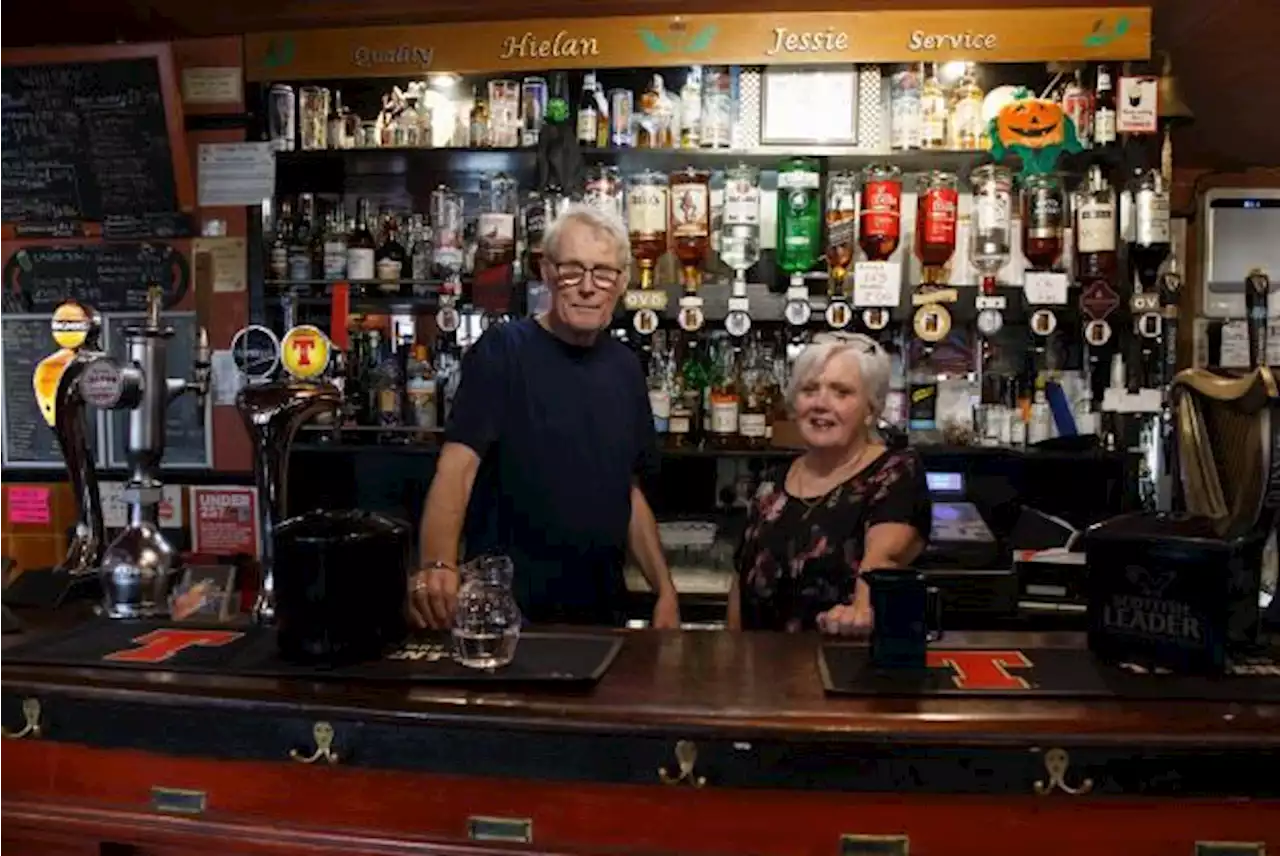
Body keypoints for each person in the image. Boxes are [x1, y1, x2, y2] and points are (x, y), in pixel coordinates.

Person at [408, 204, 680, 630]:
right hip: (510, 618)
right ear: (548, 273)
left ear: (623, 282)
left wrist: (664, 590)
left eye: (604, 272)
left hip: (602, 617)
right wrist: (437, 563)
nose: (588, 287)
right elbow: (457, 467)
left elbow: (628, 492)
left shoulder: (625, 369)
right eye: (573, 270)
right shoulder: (503, 351)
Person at [729, 333, 931, 634]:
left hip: (842, 671)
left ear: (871, 410)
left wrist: (861, 610)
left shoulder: (894, 472)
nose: (821, 403)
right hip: (760, 674)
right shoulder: (770, 485)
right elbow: (740, 586)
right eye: (809, 390)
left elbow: (883, 559)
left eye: (841, 392)